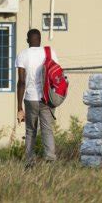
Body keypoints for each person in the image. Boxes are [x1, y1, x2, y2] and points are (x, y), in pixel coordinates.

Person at [15, 29, 60, 168]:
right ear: (40, 40)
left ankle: (29, 162)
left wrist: (19, 107)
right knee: (47, 129)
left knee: (30, 131)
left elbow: (21, 81)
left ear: (28, 40)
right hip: (46, 98)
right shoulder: (49, 52)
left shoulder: (22, 54)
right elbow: (56, 74)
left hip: (30, 99)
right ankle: (50, 161)